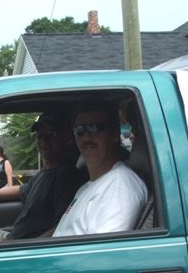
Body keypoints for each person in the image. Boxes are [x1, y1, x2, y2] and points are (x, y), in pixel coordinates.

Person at [0, 111, 84, 240]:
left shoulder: (66, 179)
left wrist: (22, 249)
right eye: (39, 136)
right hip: (13, 240)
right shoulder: (43, 175)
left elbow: (61, 230)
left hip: (24, 249)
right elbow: (21, 190)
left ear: (67, 138)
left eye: (50, 135)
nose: (43, 141)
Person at [53, 99, 148, 237]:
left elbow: (102, 256)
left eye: (94, 128)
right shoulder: (88, 186)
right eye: (80, 130)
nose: (86, 137)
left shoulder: (119, 187)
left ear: (115, 134)